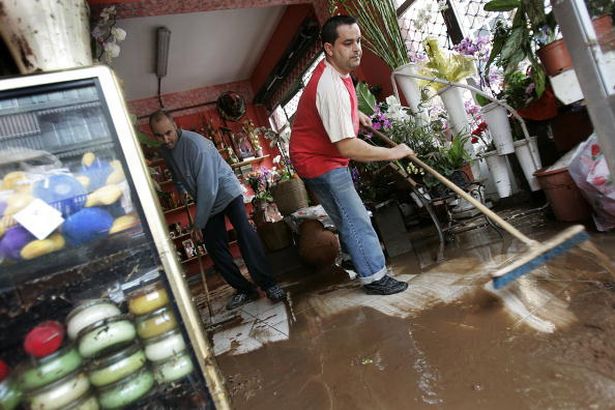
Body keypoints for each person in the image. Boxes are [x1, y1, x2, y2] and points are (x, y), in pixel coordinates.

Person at [289, 15, 413, 295]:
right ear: (329, 48)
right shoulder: (330, 86)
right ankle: (375, 278)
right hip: (318, 160)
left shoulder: (337, 74)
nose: (356, 48)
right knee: (355, 218)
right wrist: (392, 153)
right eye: (348, 43)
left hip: (316, 153)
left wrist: (354, 113)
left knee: (347, 216)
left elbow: (333, 110)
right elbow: (347, 147)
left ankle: (357, 260)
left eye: (358, 41)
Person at [149, 111, 286, 309]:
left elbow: (208, 188)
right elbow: (177, 174)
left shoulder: (196, 146)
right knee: (214, 246)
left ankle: (269, 284)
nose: (165, 139)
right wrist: (180, 189)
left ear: (175, 125)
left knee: (245, 233)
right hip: (206, 196)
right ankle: (245, 289)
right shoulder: (165, 149)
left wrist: (198, 223)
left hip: (224, 190)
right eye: (159, 136)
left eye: (168, 133)